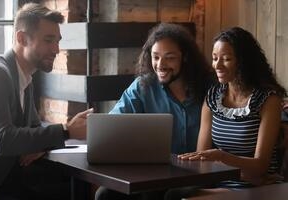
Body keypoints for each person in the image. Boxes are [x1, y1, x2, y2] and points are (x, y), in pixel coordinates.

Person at [95, 23, 213, 200]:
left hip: (197, 175)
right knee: (105, 194)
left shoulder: (208, 88)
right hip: (154, 173)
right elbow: (112, 126)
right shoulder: (142, 87)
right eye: (155, 57)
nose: (160, 65)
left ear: (185, 57)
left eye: (170, 58)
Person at [0, 3, 92, 199]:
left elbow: (34, 128)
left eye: (57, 41)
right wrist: (67, 130)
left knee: (72, 186)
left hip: (10, 177)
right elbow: (3, 140)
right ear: (21, 38)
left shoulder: (25, 76)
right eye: (48, 40)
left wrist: (38, 146)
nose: (57, 49)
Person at [178, 27, 286, 193]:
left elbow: (260, 166)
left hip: (257, 188)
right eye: (214, 58)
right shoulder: (213, 98)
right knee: (171, 192)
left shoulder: (268, 100)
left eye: (226, 59)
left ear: (244, 62)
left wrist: (221, 157)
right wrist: (238, 172)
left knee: (177, 194)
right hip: (224, 183)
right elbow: (202, 159)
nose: (217, 65)